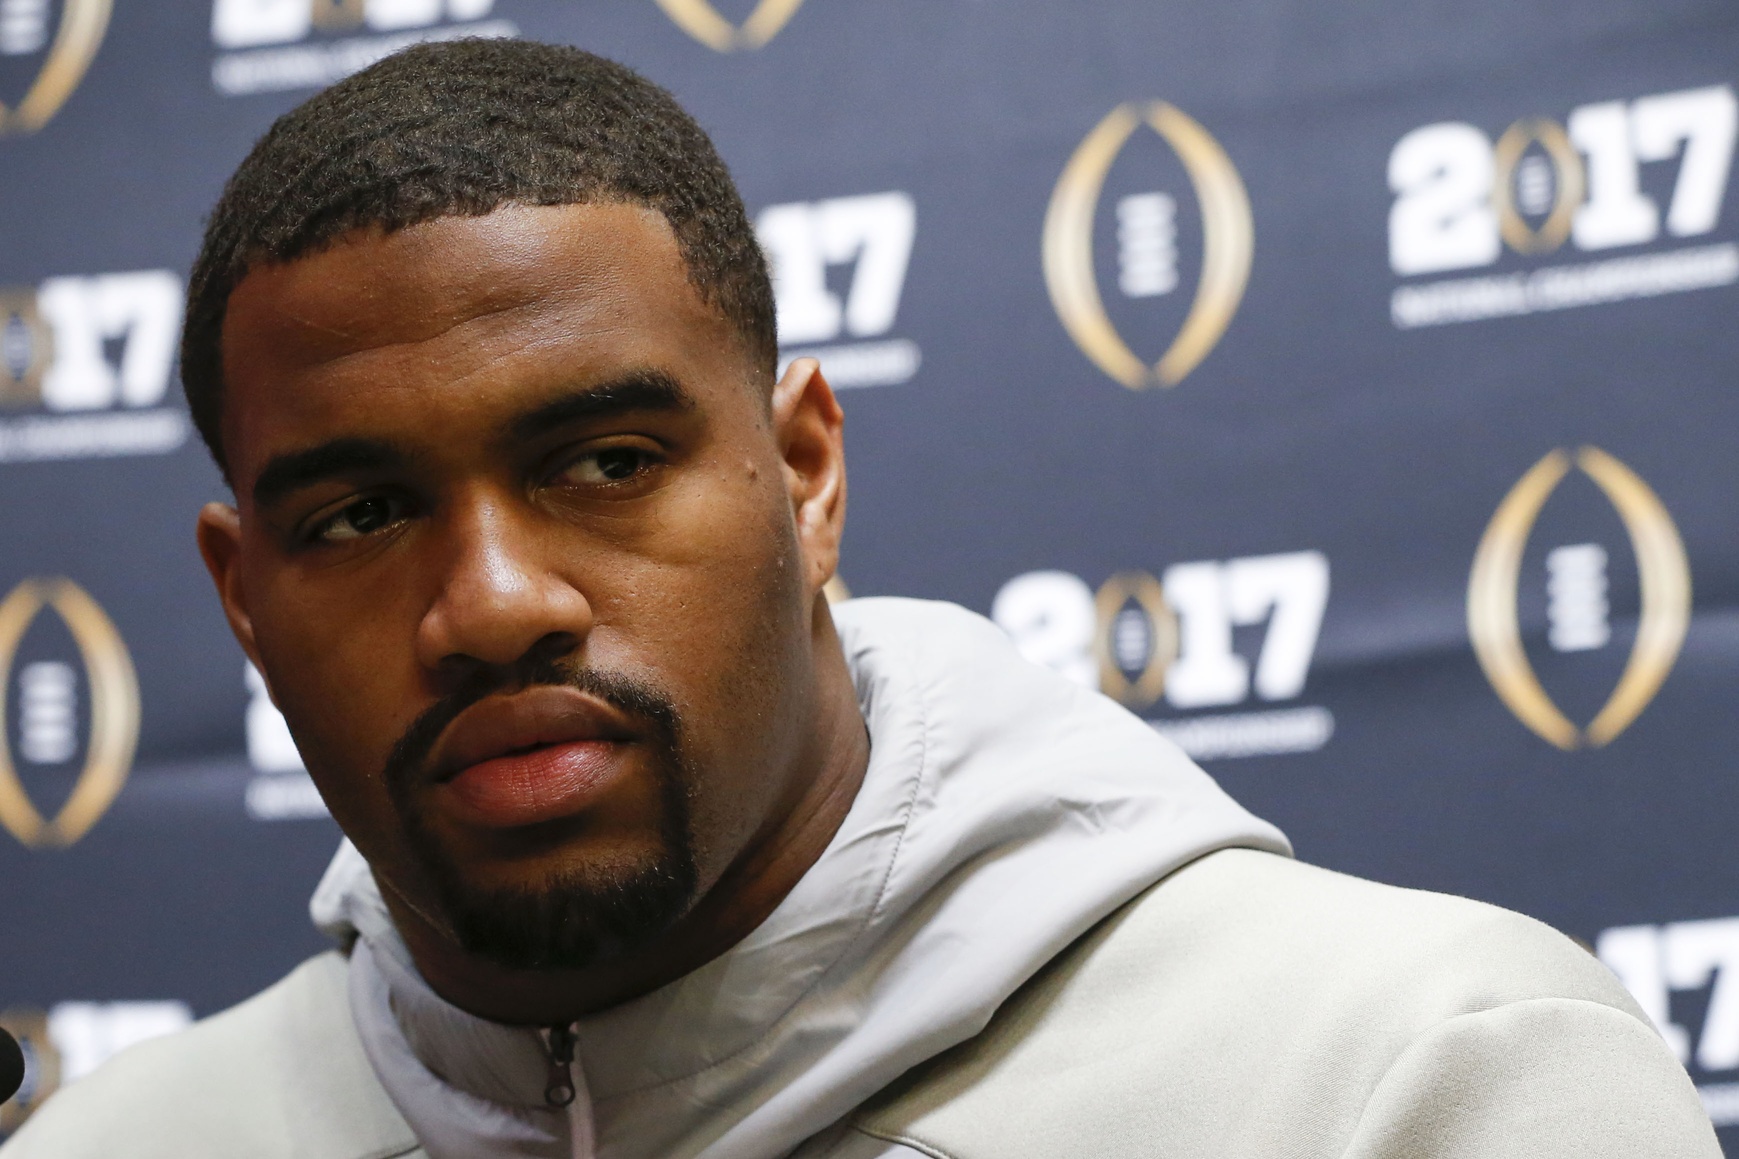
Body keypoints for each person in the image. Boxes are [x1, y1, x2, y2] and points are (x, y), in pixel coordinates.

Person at [1, 38, 1716, 1159]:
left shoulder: (1406, 1080)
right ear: (241, 598)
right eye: (363, 513)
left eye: (601, 462)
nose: (494, 601)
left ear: (807, 475)